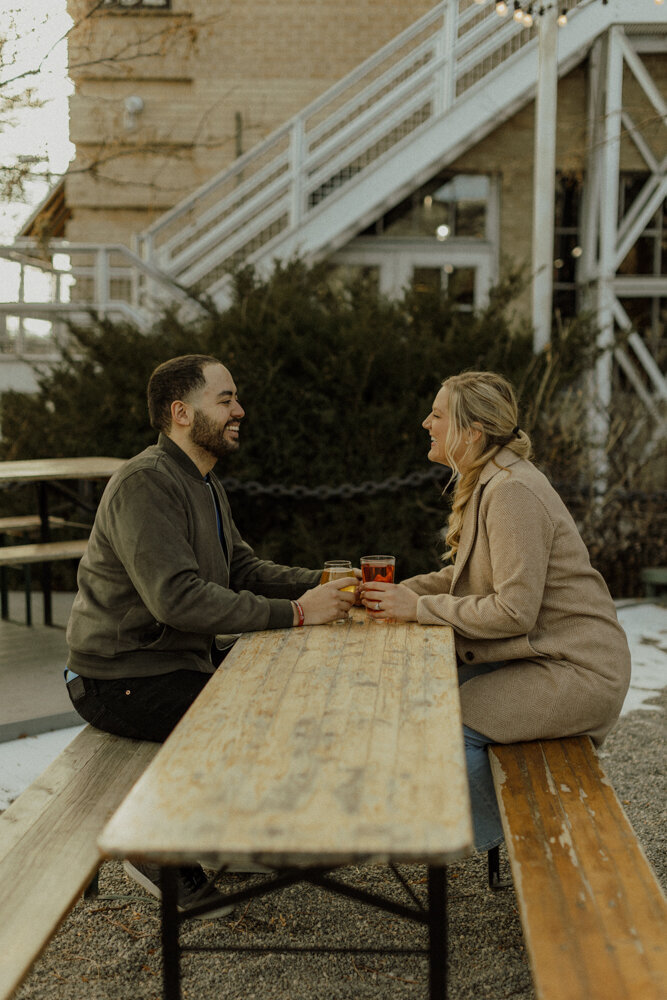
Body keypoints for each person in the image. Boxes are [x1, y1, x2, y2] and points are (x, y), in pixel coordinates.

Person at [65, 353, 356, 914]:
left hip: (175, 665)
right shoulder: (146, 483)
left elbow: (242, 569)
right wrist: (297, 612)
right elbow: (176, 599)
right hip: (119, 677)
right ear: (180, 412)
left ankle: (228, 833)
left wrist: (328, 582)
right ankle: (155, 846)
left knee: (292, 696)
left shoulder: (201, 481)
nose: (239, 410)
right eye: (225, 399)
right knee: (257, 724)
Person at [360, 370, 631, 854]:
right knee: (424, 701)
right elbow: (463, 579)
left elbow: (514, 611)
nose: (426, 422)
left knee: (449, 724)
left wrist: (418, 608)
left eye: (438, 415)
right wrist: (394, 594)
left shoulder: (510, 492)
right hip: (537, 658)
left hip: (575, 670)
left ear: (472, 431)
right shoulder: (489, 480)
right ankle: (470, 824)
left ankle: (522, 842)